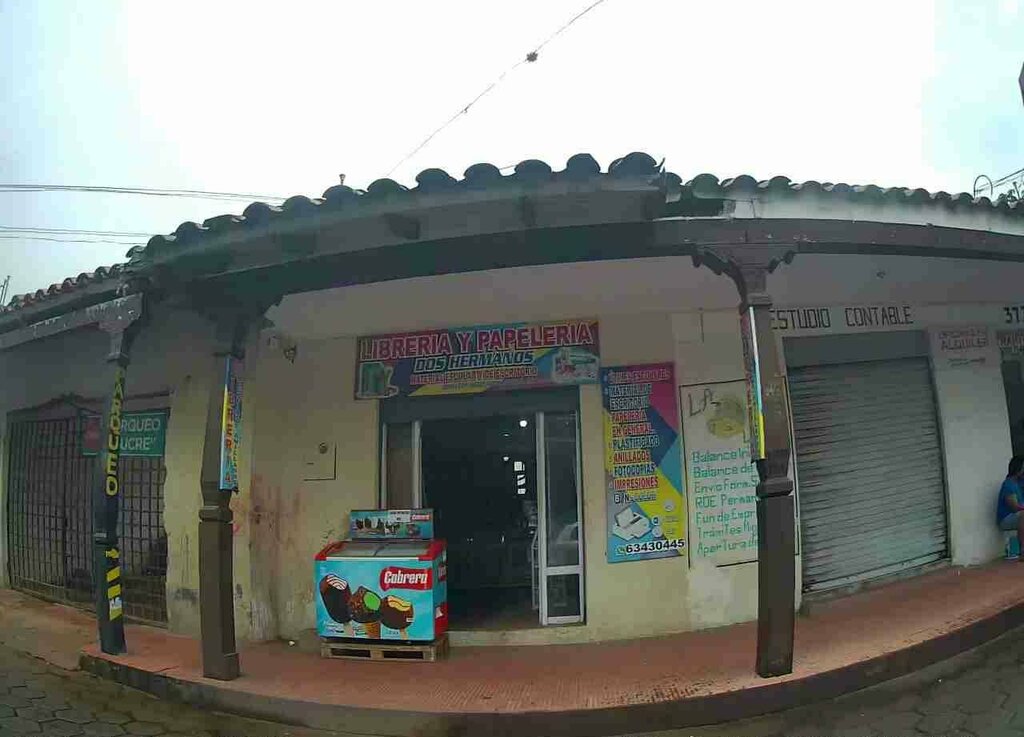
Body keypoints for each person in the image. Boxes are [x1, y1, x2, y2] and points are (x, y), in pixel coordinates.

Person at [997, 455, 1024, 559]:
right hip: (1005, 519)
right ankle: (1022, 551)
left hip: (1017, 517)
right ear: (1017, 469)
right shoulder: (1008, 484)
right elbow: (1014, 507)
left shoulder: (1018, 483)